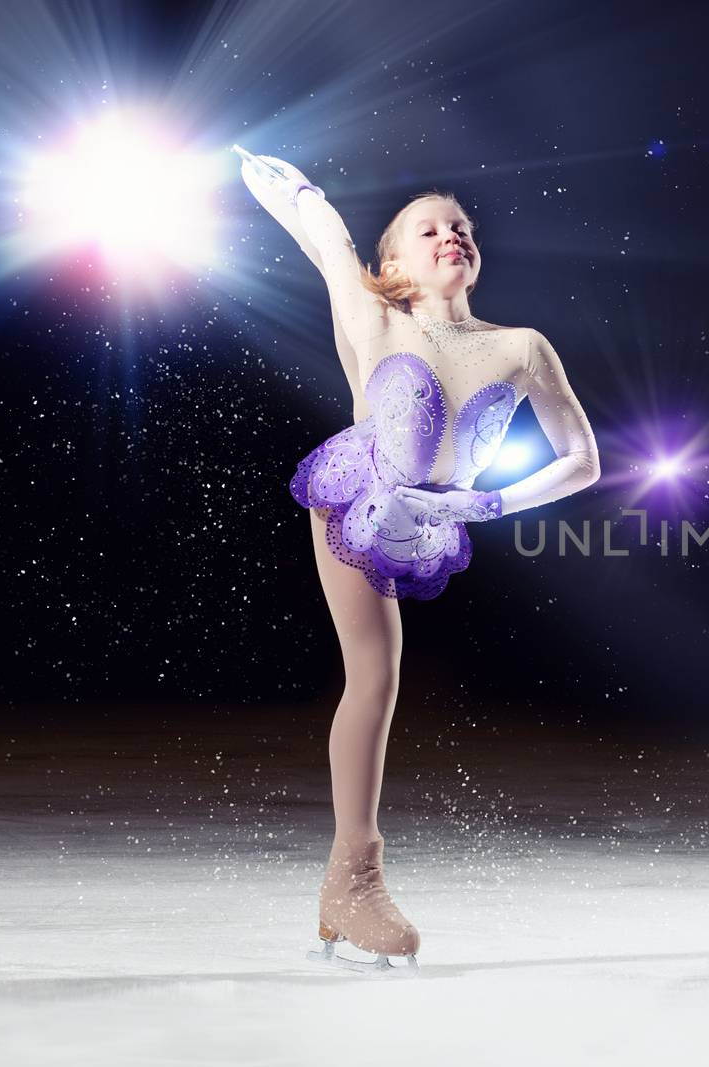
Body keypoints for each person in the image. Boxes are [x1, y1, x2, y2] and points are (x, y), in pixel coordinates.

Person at [233, 145, 601, 975]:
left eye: (462, 227)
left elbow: (582, 460)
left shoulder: (522, 346)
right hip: (359, 498)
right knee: (377, 679)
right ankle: (355, 879)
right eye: (428, 229)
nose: (451, 236)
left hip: (436, 517)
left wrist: (477, 504)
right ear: (394, 260)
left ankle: (344, 889)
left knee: (385, 680)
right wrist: (291, 187)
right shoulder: (376, 319)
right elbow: (326, 240)